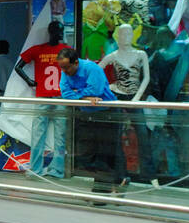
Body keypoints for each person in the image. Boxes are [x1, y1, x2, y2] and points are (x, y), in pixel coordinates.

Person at [57, 46, 126, 193]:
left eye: (67, 68)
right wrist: (83, 97)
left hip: (108, 113)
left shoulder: (92, 69)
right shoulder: (66, 71)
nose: (64, 72)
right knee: (85, 154)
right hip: (88, 115)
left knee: (105, 152)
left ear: (76, 63)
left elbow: (95, 91)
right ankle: (119, 179)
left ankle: (102, 191)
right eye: (62, 68)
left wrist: (77, 93)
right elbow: (65, 94)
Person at [17, 21, 69, 178]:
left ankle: (57, 169)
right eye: (56, 31)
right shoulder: (38, 50)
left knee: (60, 135)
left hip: (61, 97)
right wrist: (29, 80)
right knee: (38, 134)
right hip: (42, 96)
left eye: (61, 31)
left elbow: (76, 70)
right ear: (50, 32)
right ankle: (36, 168)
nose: (59, 34)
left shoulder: (66, 50)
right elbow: (18, 66)